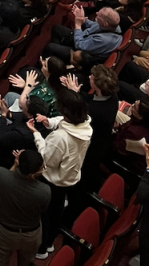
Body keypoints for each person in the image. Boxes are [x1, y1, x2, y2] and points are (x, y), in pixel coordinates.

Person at [31, 88, 93, 257]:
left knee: (45, 214)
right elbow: (64, 121)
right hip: (69, 177)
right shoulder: (85, 123)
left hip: (53, 179)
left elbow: (47, 159)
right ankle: (50, 242)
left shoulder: (60, 137)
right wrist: (49, 122)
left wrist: (37, 134)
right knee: (57, 210)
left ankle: (42, 248)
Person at [0, 149, 51, 266]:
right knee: (26, 263)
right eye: (42, 168)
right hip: (30, 235)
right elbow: (43, 210)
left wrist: (15, 165)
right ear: (33, 175)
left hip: (4, 231)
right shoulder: (44, 191)